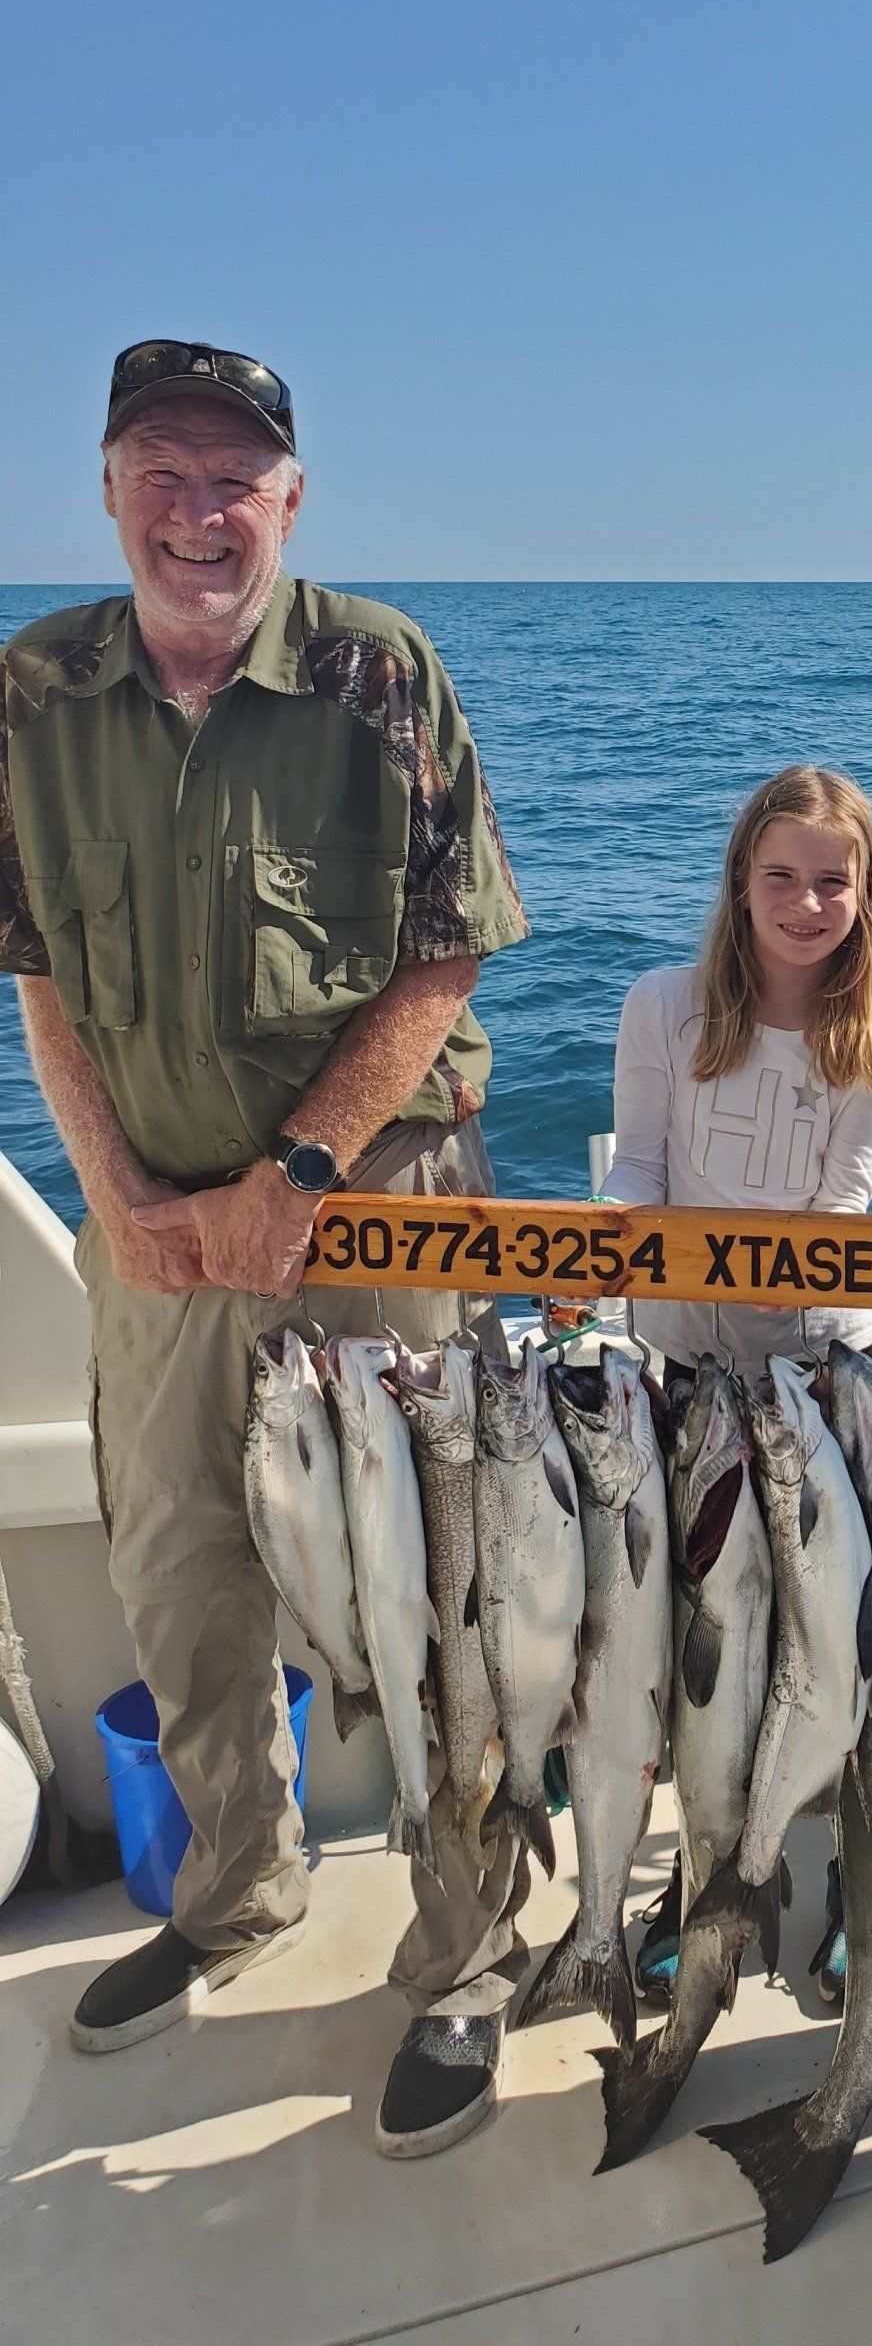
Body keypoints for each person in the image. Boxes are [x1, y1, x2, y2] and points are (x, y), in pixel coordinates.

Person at [0, 340, 534, 2160]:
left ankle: (468, 1954)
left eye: (235, 477)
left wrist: (296, 1173)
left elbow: (450, 952)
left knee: (442, 1588)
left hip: (373, 1200)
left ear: (291, 501)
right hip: (154, 1221)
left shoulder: (381, 670)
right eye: (161, 469)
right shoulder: (33, 690)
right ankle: (235, 1887)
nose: (198, 511)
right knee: (176, 1562)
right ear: (105, 490)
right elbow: (37, 971)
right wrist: (118, 1196)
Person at [597, 762, 872, 2010]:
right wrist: (602, 1244)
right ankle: (704, 1882)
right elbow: (637, 1171)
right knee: (707, 1652)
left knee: (839, 1649)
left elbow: (843, 1210)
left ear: (867, 893)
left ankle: (854, 1891)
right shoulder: (662, 1007)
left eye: (835, 879)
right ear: (739, 880)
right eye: (780, 874)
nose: (806, 901)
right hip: (687, 1379)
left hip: (825, 1388)